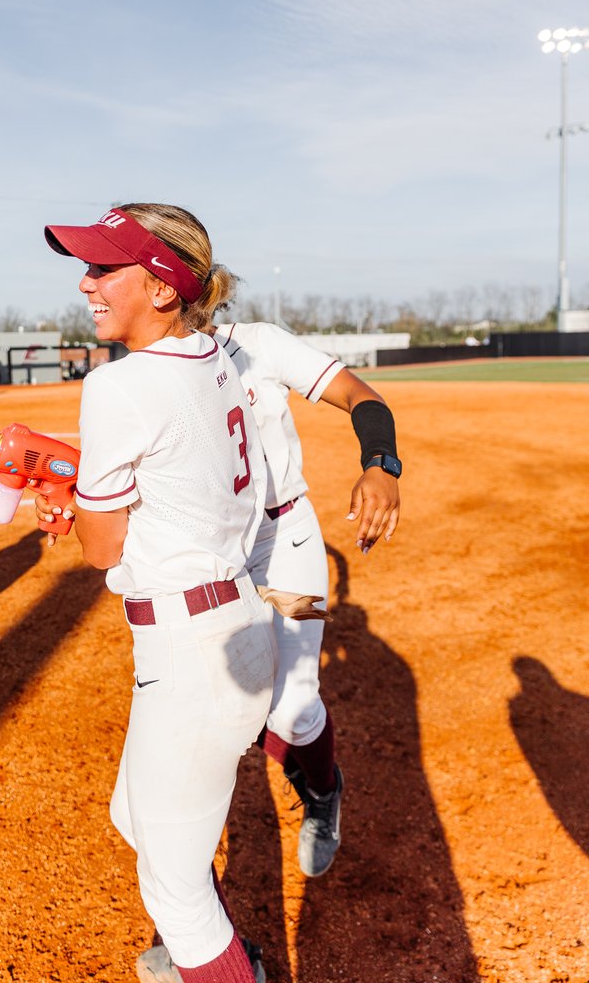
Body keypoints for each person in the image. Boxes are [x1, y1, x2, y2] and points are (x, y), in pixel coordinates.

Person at [36, 204, 275, 983]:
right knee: (132, 816)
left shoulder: (121, 386)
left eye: (106, 269)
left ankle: (218, 962)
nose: (86, 282)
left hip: (190, 648)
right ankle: (220, 956)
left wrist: (75, 505)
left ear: (165, 288)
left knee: (173, 892)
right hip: (232, 620)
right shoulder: (216, 354)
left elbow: (103, 550)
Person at [209, 319, 401, 879]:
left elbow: (362, 396)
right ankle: (192, 901)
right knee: (217, 708)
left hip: (287, 539)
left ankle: (322, 789)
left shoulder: (256, 342)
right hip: (213, 556)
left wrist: (381, 465)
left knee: (292, 706)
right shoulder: (147, 372)